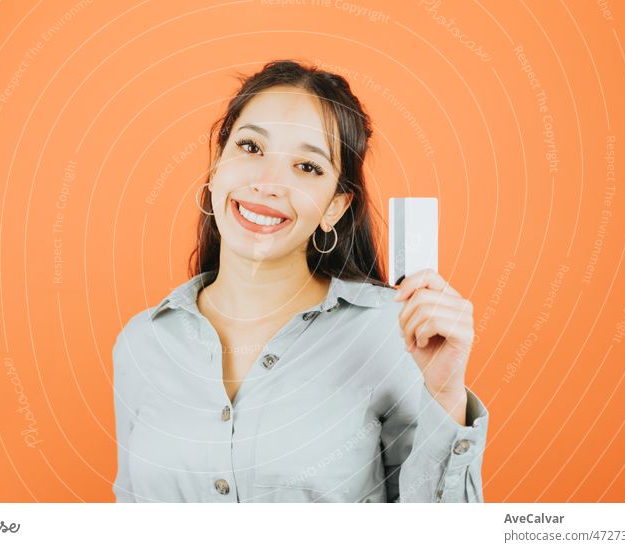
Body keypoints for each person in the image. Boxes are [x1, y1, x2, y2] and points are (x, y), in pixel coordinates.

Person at [112, 59, 488, 502]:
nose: (268, 184)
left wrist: (444, 392)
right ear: (217, 168)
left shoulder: (393, 332)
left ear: (335, 206)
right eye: (251, 148)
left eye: (307, 167)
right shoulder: (142, 342)